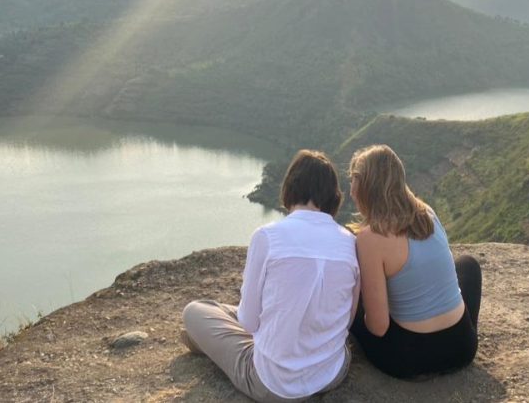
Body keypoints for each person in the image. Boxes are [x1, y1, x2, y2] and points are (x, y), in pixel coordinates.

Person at [181, 150, 359, 402]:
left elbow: (249, 323)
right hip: (333, 373)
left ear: (290, 188)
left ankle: (201, 341)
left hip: (274, 384)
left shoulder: (268, 237)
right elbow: (347, 320)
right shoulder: (349, 242)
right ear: (334, 197)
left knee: (195, 311)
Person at [347, 144, 482, 379]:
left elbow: (378, 328)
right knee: (468, 265)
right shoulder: (426, 213)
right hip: (463, 347)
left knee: (353, 297)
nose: (350, 191)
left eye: (353, 181)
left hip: (411, 359)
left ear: (366, 187)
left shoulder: (370, 238)